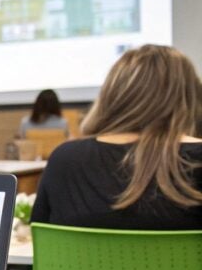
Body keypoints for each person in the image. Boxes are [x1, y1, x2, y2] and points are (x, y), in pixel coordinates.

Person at [32, 45, 202, 229]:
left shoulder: (65, 160)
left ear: (111, 95)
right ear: (190, 96)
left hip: (87, 260)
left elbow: (41, 237)